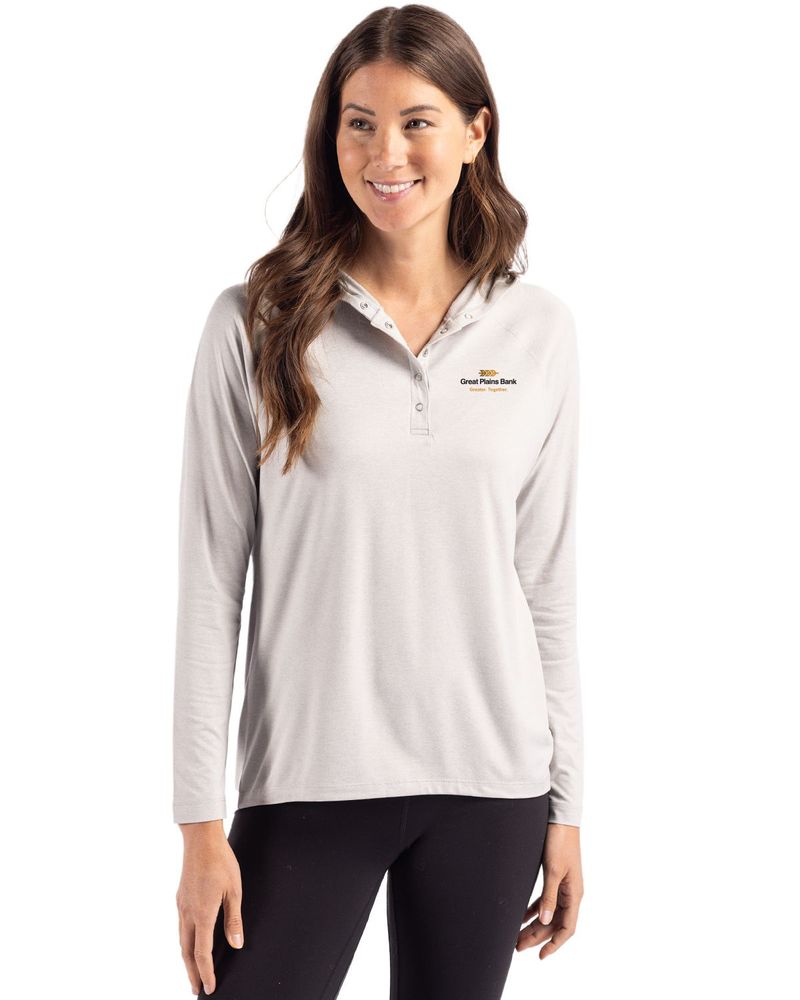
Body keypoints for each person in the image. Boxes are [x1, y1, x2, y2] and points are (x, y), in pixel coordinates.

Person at [173, 5, 585, 998]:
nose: (384, 153)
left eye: (416, 121)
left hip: (492, 787)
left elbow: (545, 582)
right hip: (308, 780)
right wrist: (197, 824)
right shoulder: (255, 324)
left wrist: (567, 806)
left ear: (475, 133)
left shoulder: (537, 332)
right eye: (357, 123)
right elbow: (210, 586)